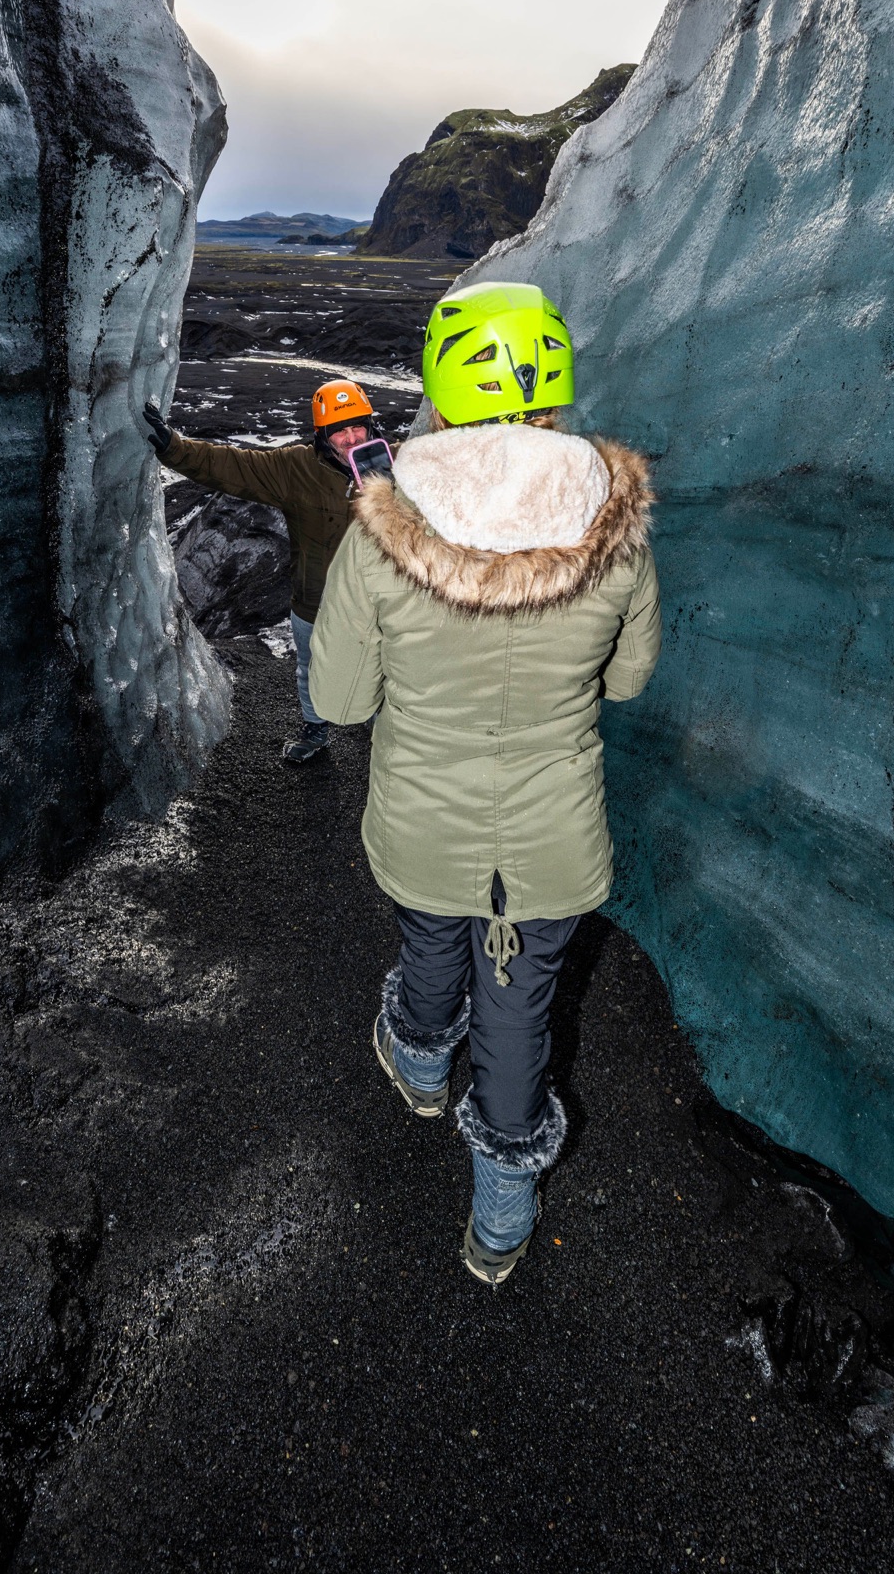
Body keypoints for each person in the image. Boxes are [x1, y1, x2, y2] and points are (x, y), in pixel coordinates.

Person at [309, 282, 661, 1285]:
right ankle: (502, 1213)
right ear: (554, 377)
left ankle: (419, 1063)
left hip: (421, 823)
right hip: (553, 839)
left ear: (441, 385)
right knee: (520, 1008)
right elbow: (629, 680)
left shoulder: (383, 526)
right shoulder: (617, 525)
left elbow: (336, 697)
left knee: (430, 944)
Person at [143, 381, 381, 763]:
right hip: (314, 602)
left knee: (386, 677)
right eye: (339, 429)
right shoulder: (296, 468)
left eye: (359, 426)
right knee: (311, 670)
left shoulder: (398, 466)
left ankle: (386, 741)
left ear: (372, 427)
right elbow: (233, 465)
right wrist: (174, 448)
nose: (351, 438)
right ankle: (315, 730)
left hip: (378, 607)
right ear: (322, 435)